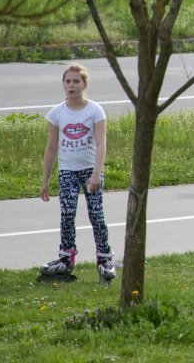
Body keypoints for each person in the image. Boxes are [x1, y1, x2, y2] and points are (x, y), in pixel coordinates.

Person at [39, 63, 116, 282]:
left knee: (96, 215)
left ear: (84, 84)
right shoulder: (56, 113)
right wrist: (45, 181)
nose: (71, 85)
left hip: (90, 171)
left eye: (76, 81)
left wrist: (96, 173)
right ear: (63, 84)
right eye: (68, 81)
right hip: (67, 172)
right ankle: (65, 258)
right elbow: (51, 148)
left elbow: (101, 143)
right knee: (67, 214)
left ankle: (104, 258)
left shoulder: (94, 110)